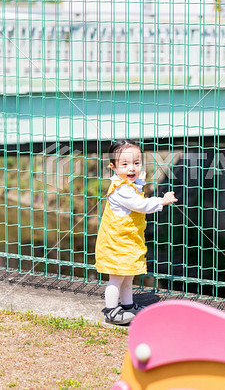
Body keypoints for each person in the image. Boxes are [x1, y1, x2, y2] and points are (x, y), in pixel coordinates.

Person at [95, 139, 177, 325]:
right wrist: (161, 201)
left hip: (128, 241)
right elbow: (140, 205)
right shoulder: (121, 190)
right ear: (114, 168)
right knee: (116, 277)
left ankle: (127, 305)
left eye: (136, 163)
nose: (131, 168)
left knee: (128, 275)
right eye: (125, 164)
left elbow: (135, 194)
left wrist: (139, 182)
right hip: (117, 243)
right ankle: (111, 311)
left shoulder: (128, 185)